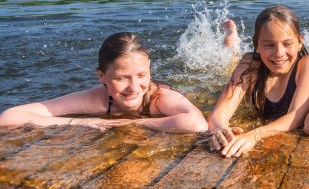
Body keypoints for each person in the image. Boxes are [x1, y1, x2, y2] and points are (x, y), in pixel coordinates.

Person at [0, 32, 208, 133]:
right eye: (121, 78)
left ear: (150, 69)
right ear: (102, 77)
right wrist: (81, 122)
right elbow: (9, 117)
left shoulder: (158, 98)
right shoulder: (98, 98)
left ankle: (230, 45)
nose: (134, 87)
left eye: (141, 75)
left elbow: (197, 124)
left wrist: (129, 123)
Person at [208, 6, 309, 158]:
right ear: (257, 44)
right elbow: (219, 113)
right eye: (269, 45)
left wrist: (255, 135)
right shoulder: (251, 64)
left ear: (300, 42)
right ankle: (231, 42)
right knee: (230, 69)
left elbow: (296, 116)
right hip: (253, 63)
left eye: (287, 44)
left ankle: (232, 43)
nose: (279, 53)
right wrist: (219, 129)